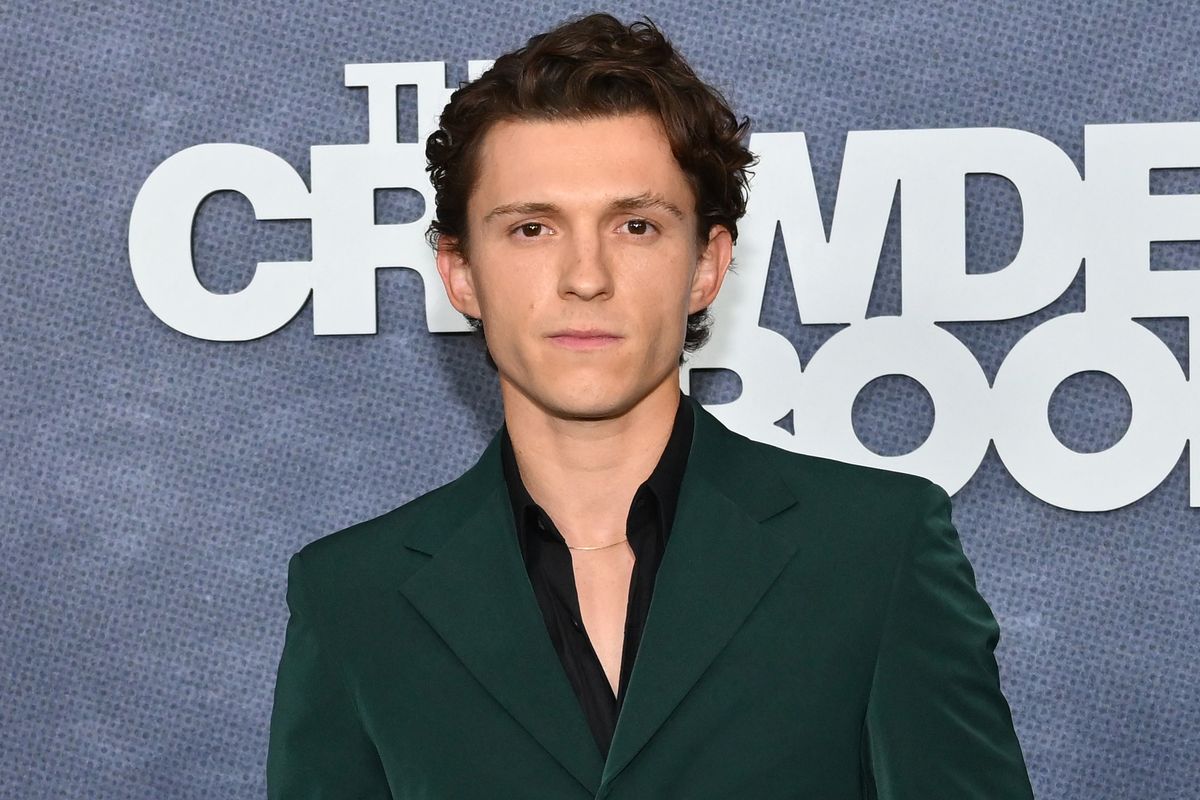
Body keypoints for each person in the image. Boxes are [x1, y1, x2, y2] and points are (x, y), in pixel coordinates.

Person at [266, 13, 1035, 799]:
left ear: (706, 264)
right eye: (532, 228)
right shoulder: (351, 599)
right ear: (461, 272)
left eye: (636, 226)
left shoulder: (874, 550)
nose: (586, 276)